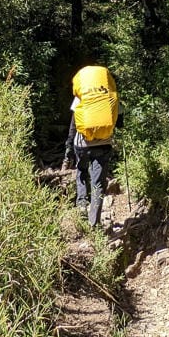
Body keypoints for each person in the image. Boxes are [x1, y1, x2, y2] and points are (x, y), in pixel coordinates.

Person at [63, 65, 118, 228]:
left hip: (82, 143)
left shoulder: (81, 98)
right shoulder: (109, 97)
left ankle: (81, 205)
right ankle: (94, 222)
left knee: (81, 171)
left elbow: (74, 124)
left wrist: (68, 146)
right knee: (98, 183)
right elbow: (118, 121)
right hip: (104, 144)